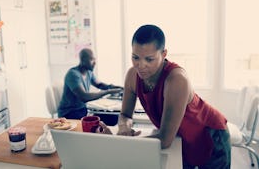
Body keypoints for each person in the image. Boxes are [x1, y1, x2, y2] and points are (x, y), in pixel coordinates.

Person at [98, 25, 231, 169]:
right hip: (180, 137)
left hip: (209, 134)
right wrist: (124, 127)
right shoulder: (132, 75)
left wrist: (121, 143)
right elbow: (125, 114)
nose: (140, 65)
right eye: (135, 57)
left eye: (149, 59)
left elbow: (165, 139)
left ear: (164, 54)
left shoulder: (176, 80)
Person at [57, 48, 123, 119]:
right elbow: (84, 97)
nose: (95, 62)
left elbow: (99, 85)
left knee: (113, 118)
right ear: (83, 60)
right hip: (69, 113)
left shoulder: (88, 72)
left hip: (82, 109)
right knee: (106, 119)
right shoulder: (73, 74)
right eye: (91, 59)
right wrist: (107, 92)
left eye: (94, 59)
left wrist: (118, 88)